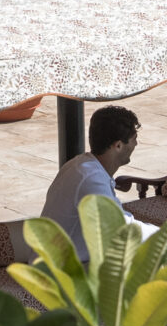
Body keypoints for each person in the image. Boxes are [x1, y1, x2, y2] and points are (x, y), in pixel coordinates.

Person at [42, 105, 140, 260]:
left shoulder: (80, 165)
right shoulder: (91, 179)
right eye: (134, 139)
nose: (136, 144)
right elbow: (122, 229)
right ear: (118, 145)